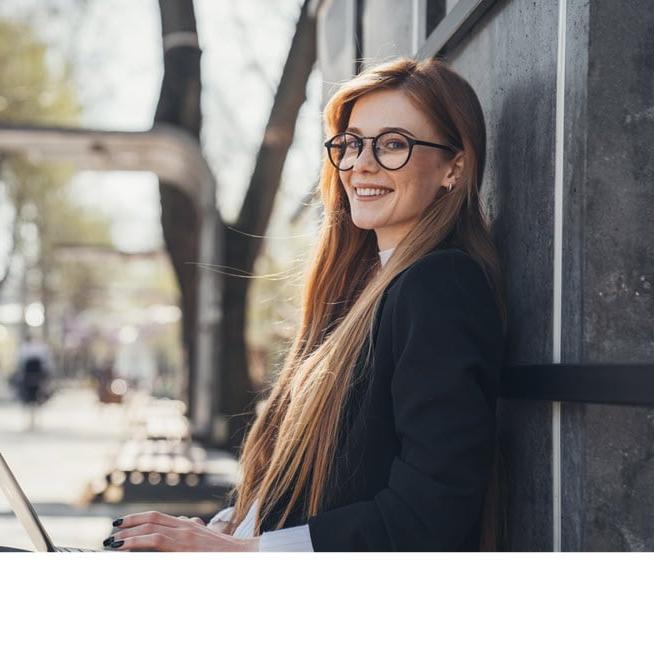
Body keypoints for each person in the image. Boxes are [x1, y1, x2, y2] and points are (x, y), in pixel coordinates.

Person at [104, 56, 508, 552]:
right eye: (352, 143)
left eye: (394, 144)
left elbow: (431, 512)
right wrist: (222, 530)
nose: (361, 163)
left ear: (455, 166)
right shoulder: (359, 286)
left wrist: (247, 555)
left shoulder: (441, 284)